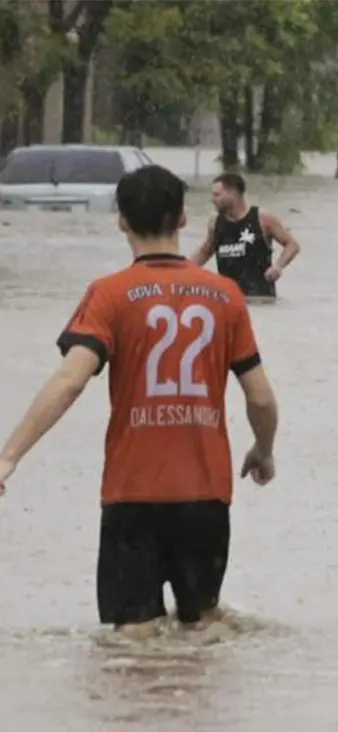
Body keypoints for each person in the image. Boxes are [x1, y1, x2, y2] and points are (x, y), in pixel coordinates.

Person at [0, 164, 280, 635]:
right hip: (206, 496)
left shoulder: (108, 295)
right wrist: (263, 449)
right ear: (184, 219)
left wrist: (8, 456)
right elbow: (262, 397)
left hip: (132, 495)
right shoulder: (225, 297)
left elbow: (70, 382)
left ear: (121, 221)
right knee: (205, 631)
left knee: (132, 641)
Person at [191, 172, 300, 301]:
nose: (212, 199)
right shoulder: (215, 221)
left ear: (233, 194)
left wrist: (278, 266)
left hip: (260, 299)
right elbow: (206, 251)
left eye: (217, 195)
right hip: (228, 300)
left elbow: (292, 245)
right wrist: (182, 272)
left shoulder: (262, 218)